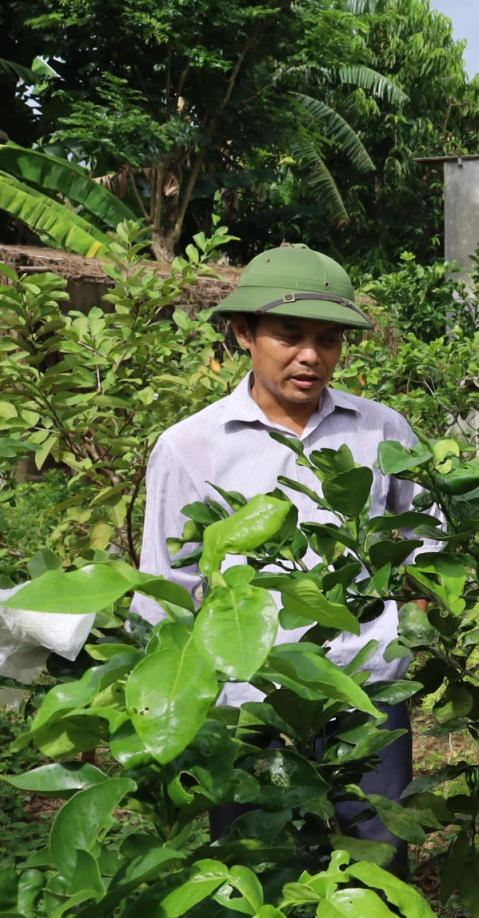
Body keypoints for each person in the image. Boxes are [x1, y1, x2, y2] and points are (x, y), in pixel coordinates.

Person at [139, 245, 419, 863]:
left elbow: (428, 535)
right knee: (256, 863)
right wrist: (175, 710)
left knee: (378, 853)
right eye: (289, 337)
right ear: (244, 333)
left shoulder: (382, 430)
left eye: (328, 339)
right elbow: (165, 586)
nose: (311, 357)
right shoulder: (191, 447)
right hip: (250, 703)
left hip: (366, 689)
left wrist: (410, 619)